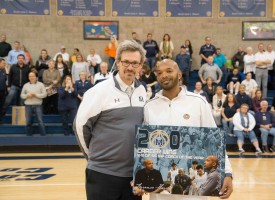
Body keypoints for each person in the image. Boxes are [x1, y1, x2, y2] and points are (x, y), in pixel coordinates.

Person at [143, 59, 233, 199]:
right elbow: (145, 147)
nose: (164, 75)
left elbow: (216, 141)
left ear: (179, 74)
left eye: (169, 71)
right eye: (159, 73)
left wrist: (227, 173)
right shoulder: (149, 106)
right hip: (160, 189)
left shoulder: (198, 102)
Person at [74, 40, 146, 200]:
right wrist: (92, 156)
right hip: (102, 174)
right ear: (118, 62)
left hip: (132, 177)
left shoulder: (142, 90)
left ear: (141, 66)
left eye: (135, 63)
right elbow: (80, 126)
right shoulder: (100, 90)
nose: (130, 67)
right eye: (126, 62)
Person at [20, 71, 47, 136]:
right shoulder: (25, 85)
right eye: (30, 76)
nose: (31, 77)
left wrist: (36, 95)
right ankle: (29, 135)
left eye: (33, 76)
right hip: (28, 105)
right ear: (28, 77)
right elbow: (22, 95)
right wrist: (27, 96)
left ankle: (43, 135)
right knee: (28, 122)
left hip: (38, 105)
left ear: (36, 77)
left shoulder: (41, 84)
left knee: (40, 121)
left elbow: (45, 94)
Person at [0, 59, 7, 123]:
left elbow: (5, 80)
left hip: (2, 91)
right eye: (3, 63)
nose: (5, 65)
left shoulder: (4, 70)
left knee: (1, 106)